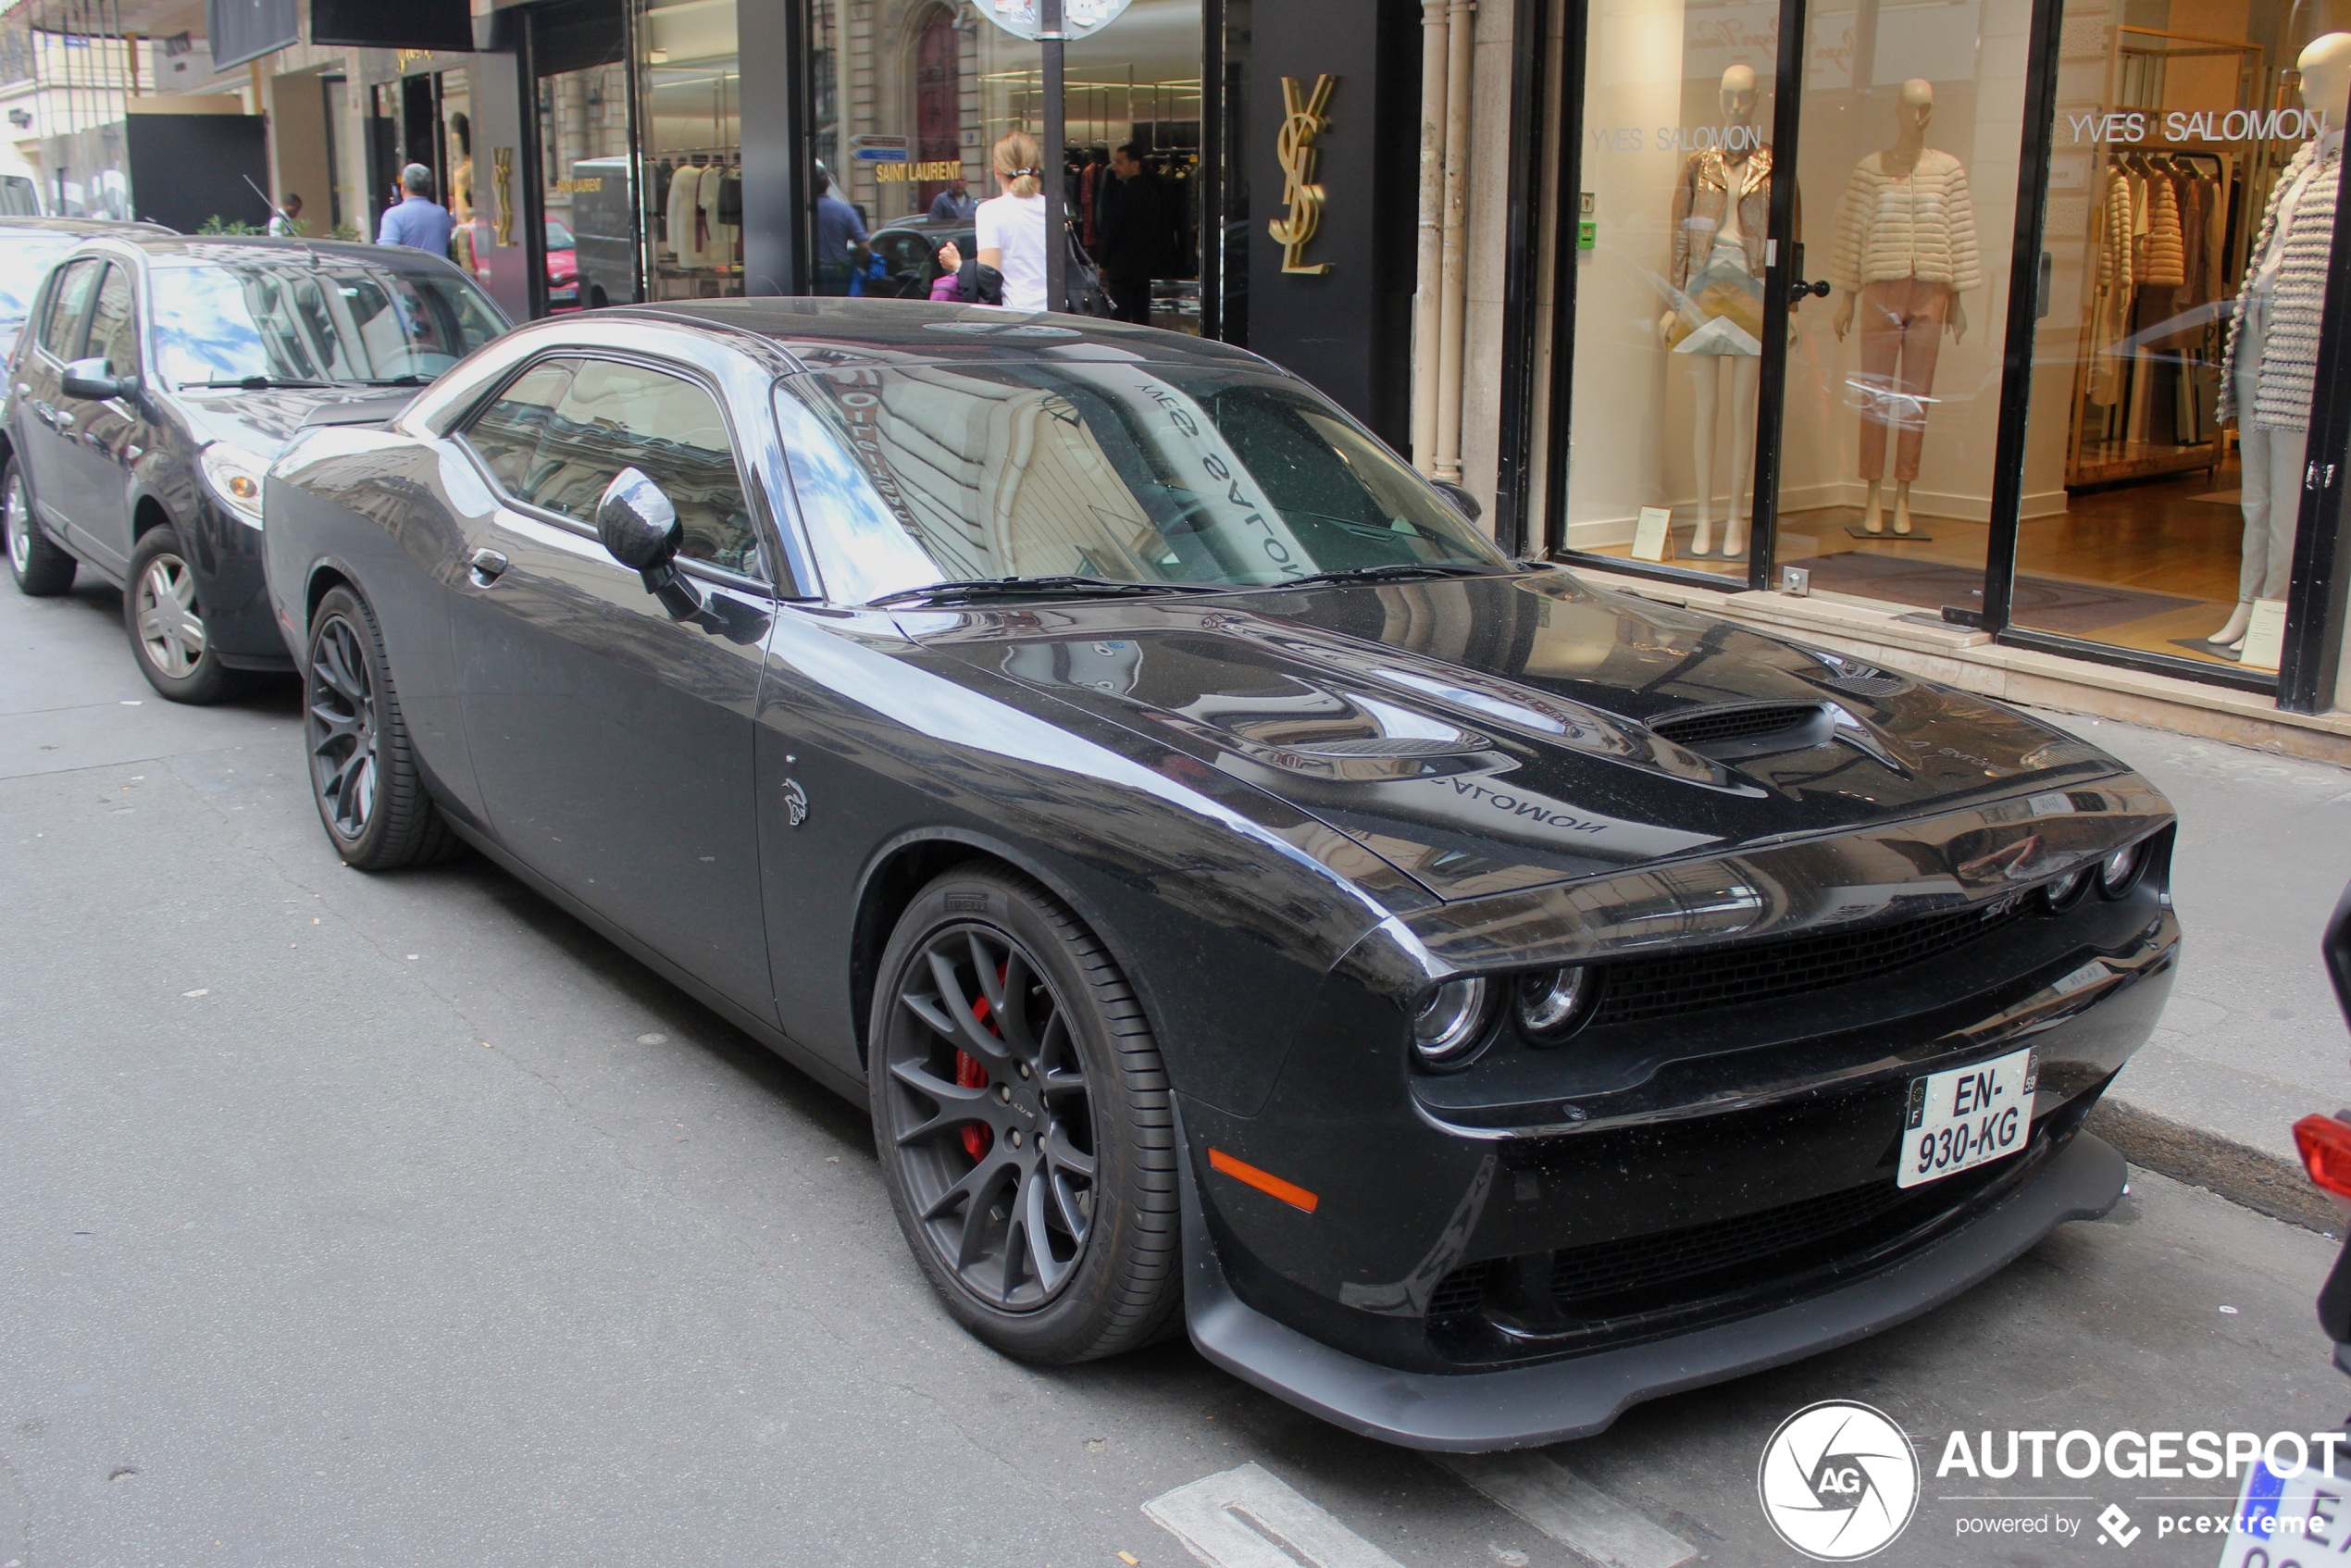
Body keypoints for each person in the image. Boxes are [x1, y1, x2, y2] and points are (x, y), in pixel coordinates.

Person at [1095, 142, 1176, 324]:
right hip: (1144, 267)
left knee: (1119, 319)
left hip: (1121, 268)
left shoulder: (1122, 196)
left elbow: (1112, 231)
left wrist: (1102, 263)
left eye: (1119, 162)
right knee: (1141, 317)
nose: (1114, 167)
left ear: (1135, 164)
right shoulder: (1153, 194)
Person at [975, 131, 1049, 313]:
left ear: (996, 169)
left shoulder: (989, 211)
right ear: (1036, 169)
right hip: (1057, 313)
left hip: (1014, 313)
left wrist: (958, 268)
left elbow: (989, 276)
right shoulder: (1056, 208)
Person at [378, 164, 455, 256]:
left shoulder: (393, 215)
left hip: (409, 270)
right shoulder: (441, 213)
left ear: (403, 185)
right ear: (430, 187)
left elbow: (387, 253)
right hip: (440, 270)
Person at [813, 171, 870, 294]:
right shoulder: (845, 211)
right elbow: (864, 246)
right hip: (839, 272)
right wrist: (854, 260)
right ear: (828, 185)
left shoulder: (801, 211)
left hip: (811, 272)